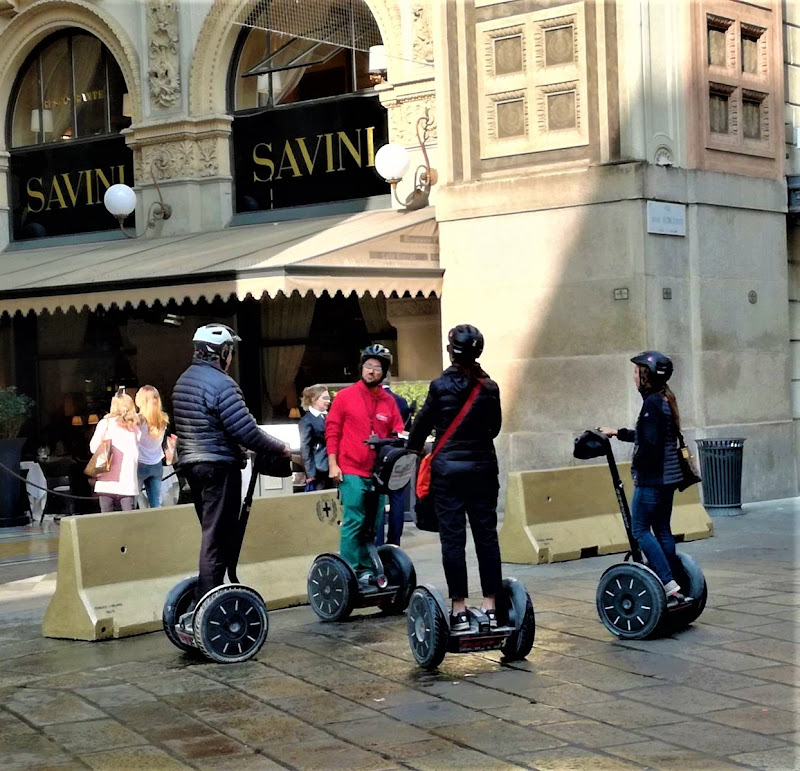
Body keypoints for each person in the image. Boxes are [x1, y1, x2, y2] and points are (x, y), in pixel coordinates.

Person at [172, 323, 290, 604]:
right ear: (221, 352)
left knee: (211, 531)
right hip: (218, 466)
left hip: (191, 466)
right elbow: (245, 431)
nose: (231, 357)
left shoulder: (184, 380)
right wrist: (281, 447)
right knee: (218, 536)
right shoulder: (222, 384)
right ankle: (211, 599)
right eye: (230, 352)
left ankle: (211, 591)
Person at [406, 324, 503, 631]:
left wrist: (413, 446)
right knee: (487, 537)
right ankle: (491, 606)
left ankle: (459, 608)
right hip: (483, 470)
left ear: (450, 351)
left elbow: (421, 428)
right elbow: (495, 428)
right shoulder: (490, 388)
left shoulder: (439, 387)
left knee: (453, 539)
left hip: (448, 473)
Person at [599, 351, 685, 600]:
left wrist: (638, 466)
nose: (634, 377)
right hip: (668, 478)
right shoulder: (664, 399)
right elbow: (648, 433)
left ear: (645, 376)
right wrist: (619, 432)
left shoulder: (651, 404)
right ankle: (673, 580)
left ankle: (668, 583)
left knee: (640, 530)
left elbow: (649, 442)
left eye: (636, 372)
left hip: (653, 480)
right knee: (662, 529)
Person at [325, 344, 404, 585]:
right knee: (355, 519)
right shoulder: (345, 397)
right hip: (350, 468)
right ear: (362, 368)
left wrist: (401, 438)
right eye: (368, 366)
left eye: (377, 368)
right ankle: (351, 570)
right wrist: (333, 464)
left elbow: (398, 430)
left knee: (374, 521)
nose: (371, 371)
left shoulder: (388, 402)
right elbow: (332, 430)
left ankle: (370, 568)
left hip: (377, 473)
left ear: (384, 372)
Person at [89, 391, 141, 512]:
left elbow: (93, 447)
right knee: (129, 520)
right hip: (128, 482)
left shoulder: (105, 424)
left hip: (106, 481)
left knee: (107, 520)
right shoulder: (134, 427)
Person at [375, 374, 411, 546]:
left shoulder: (376, 400)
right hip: (399, 452)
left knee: (379, 498)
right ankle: (395, 540)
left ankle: (379, 540)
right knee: (397, 497)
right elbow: (406, 428)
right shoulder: (401, 401)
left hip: (381, 452)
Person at [135, 385, 168, 508]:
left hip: (140, 463)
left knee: (133, 501)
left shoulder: (138, 421)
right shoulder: (163, 419)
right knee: (155, 502)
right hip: (156, 463)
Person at [299, 384, 333, 491]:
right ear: (314, 399)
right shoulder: (306, 420)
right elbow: (305, 447)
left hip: (334, 465)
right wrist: (310, 473)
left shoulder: (331, 416)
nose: (328, 401)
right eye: (325, 398)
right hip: (319, 468)